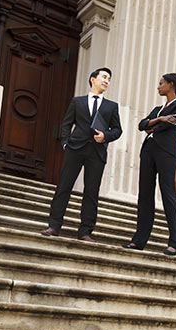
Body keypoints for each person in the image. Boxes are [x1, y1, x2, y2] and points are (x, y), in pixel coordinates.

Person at [41, 67, 122, 242]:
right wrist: (65, 143)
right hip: (75, 149)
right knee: (64, 187)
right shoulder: (77, 102)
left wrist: (105, 136)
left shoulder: (111, 106)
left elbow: (117, 130)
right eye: (104, 77)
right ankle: (54, 226)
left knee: (91, 192)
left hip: (97, 152)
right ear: (93, 79)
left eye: (109, 79)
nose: (106, 81)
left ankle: (85, 231)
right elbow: (66, 123)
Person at [123, 73, 176, 255]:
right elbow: (142, 125)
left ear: (171, 84)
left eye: (161, 83)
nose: (158, 86)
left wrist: (153, 126)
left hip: (166, 152)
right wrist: (160, 120)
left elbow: (174, 123)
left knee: (168, 194)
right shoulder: (157, 109)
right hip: (148, 151)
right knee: (144, 195)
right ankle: (139, 241)